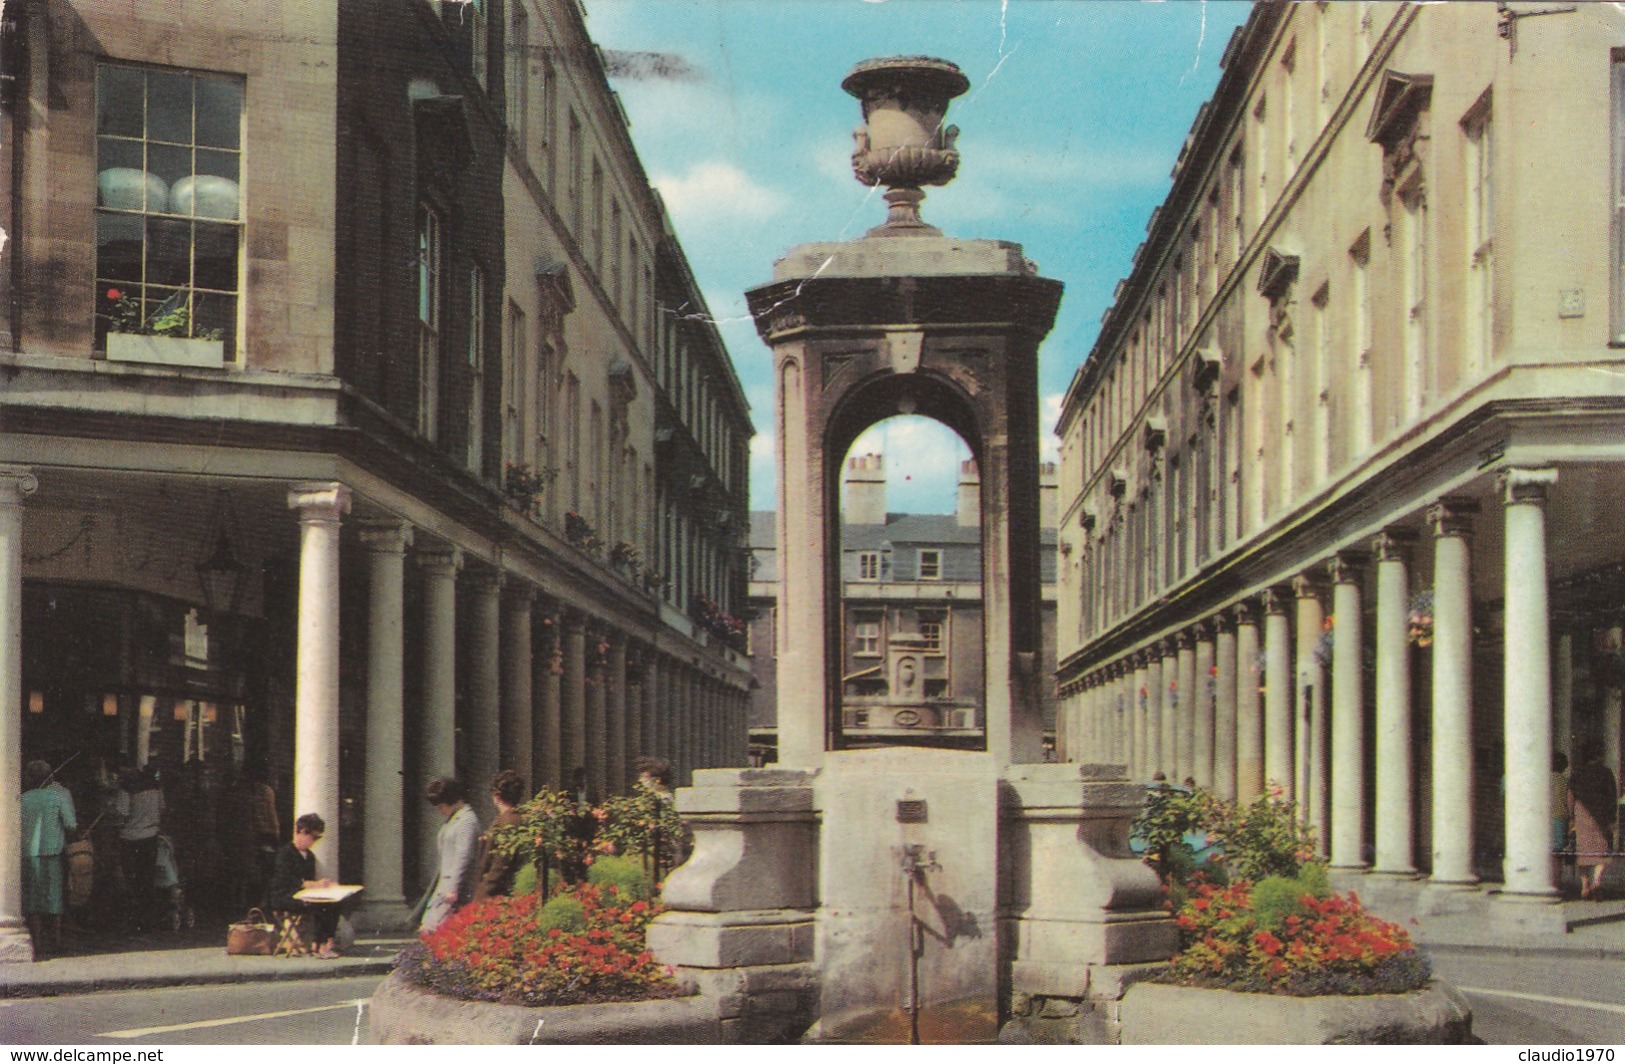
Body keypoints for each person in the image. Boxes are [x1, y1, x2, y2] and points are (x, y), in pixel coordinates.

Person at [21, 760, 77, 955]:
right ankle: (57, 941)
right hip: (53, 852)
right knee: (54, 899)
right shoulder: (56, 797)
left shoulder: (23, 799)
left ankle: (37, 942)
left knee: (33, 901)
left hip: (28, 854)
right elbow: (71, 824)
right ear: (49, 776)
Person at [266, 813, 342, 958]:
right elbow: (285, 881)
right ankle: (318, 945)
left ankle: (326, 941)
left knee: (334, 903)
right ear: (301, 831)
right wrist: (313, 885)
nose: (314, 841)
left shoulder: (310, 856)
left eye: (317, 838)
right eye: (313, 837)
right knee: (320, 906)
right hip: (284, 896)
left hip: (302, 895)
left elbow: (309, 881)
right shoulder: (284, 854)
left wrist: (324, 886)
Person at [419, 777, 481, 933]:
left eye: (440, 805)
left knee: (436, 930)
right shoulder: (454, 819)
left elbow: (463, 856)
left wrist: (453, 889)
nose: (438, 810)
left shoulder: (466, 821)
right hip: (445, 885)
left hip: (453, 889)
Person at [1569, 741, 1619, 900]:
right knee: (1602, 851)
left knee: (1583, 852)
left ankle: (1584, 886)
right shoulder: (1605, 772)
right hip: (1601, 816)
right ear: (1598, 755)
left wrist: (1572, 816)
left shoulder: (1577, 773)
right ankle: (1596, 881)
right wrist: (1612, 817)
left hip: (1582, 815)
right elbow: (1612, 796)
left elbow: (1570, 796)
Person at [116, 765, 163, 931]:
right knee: (147, 878)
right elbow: (161, 808)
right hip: (150, 836)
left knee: (131, 879)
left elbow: (122, 814)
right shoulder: (155, 788)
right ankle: (149, 918)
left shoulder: (126, 789)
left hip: (130, 838)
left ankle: (133, 918)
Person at [472, 770, 527, 903]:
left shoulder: (508, 821)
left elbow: (500, 863)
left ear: (496, 795)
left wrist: (482, 893)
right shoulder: (517, 817)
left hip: (498, 895)